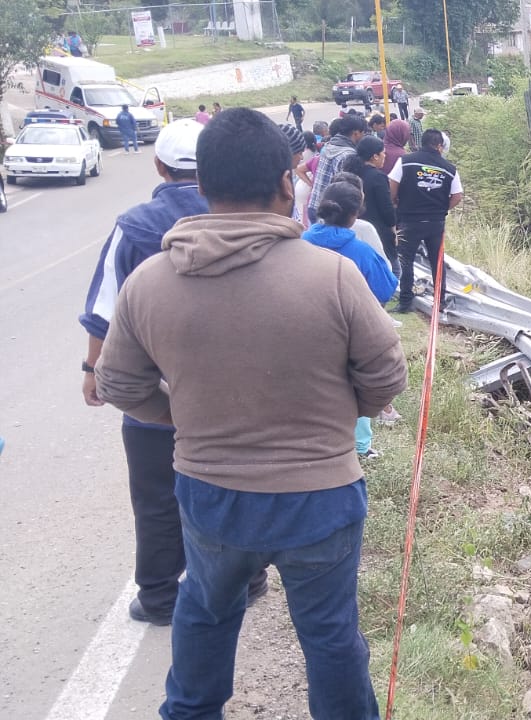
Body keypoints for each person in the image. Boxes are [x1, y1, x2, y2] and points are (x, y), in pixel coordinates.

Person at [95, 108, 407, 718]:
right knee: (331, 637)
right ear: (288, 183)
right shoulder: (334, 277)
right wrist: (337, 419)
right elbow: (386, 378)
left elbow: (118, 384)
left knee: (206, 615)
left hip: (210, 492)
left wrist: (181, 417)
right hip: (320, 495)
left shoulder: (151, 282)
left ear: (202, 186)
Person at [79, 118, 270, 627]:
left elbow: (106, 307)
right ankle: (248, 580)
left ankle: (161, 596)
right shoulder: (240, 216)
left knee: (157, 497)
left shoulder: (136, 224)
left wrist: (92, 369)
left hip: (153, 395)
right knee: (237, 484)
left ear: (159, 165)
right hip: (233, 391)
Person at [302, 179, 400, 457]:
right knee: (352, 386)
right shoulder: (361, 251)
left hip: (302, 329)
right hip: (348, 332)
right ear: (355, 215)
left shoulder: (299, 243)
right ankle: (359, 447)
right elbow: (386, 286)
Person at [389, 128, 462, 313]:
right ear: (439, 146)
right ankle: (440, 302)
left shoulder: (405, 161)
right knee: (437, 261)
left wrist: (396, 201)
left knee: (406, 261)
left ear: (422, 143)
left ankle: (405, 302)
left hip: (408, 220)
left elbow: (392, 185)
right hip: (435, 223)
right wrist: (443, 208)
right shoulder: (449, 168)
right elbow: (457, 195)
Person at [347, 137, 399, 274]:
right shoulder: (378, 177)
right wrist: (393, 229)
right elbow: (386, 208)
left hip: (353, 226)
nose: (385, 156)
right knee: (392, 270)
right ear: (375, 156)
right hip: (377, 229)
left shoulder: (350, 172)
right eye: (383, 153)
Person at [304, 116, 366, 225]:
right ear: (356, 133)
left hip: (314, 205)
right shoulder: (347, 155)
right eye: (363, 133)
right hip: (330, 213)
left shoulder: (328, 146)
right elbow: (347, 188)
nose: (364, 136)